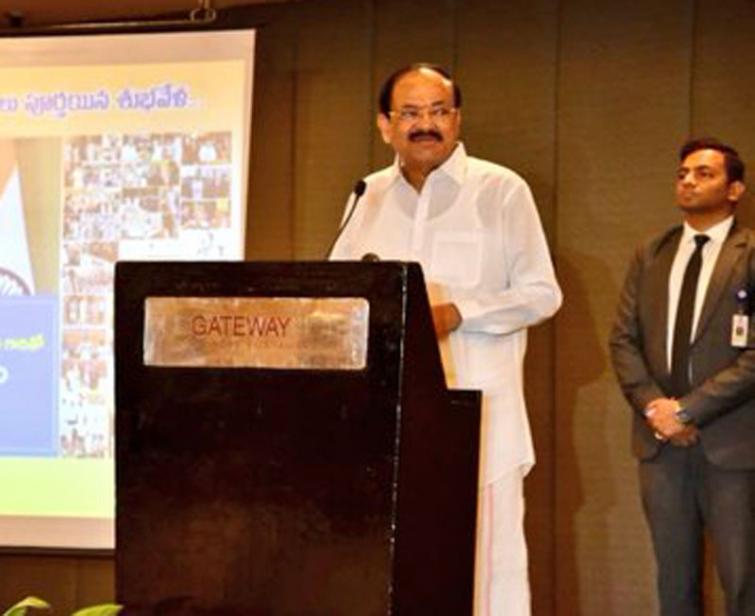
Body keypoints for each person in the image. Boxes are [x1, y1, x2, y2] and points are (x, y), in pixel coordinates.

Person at [329, 63, 562, 616]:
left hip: (481, 420)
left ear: (457, 119)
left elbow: (542, 294)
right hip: (391, 426)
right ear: (385, 125)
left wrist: (461, 313)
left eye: (438, 111)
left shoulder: (501, 190)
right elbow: (339, 296)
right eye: (410, 113)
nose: (425, 124)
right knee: (403, 570)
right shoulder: (366, 195)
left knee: (490, 572)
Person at [610, 138, 755, 616]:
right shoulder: (652, 252)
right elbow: (623, 340)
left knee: (742, 581)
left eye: (704, 173)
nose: (688, 181)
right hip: (661, 446)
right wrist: (657, 409)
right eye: (682, 174)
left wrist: (689, 411)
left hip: (733, 446)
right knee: (674, 583)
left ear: (734, 189)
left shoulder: (750, 253)